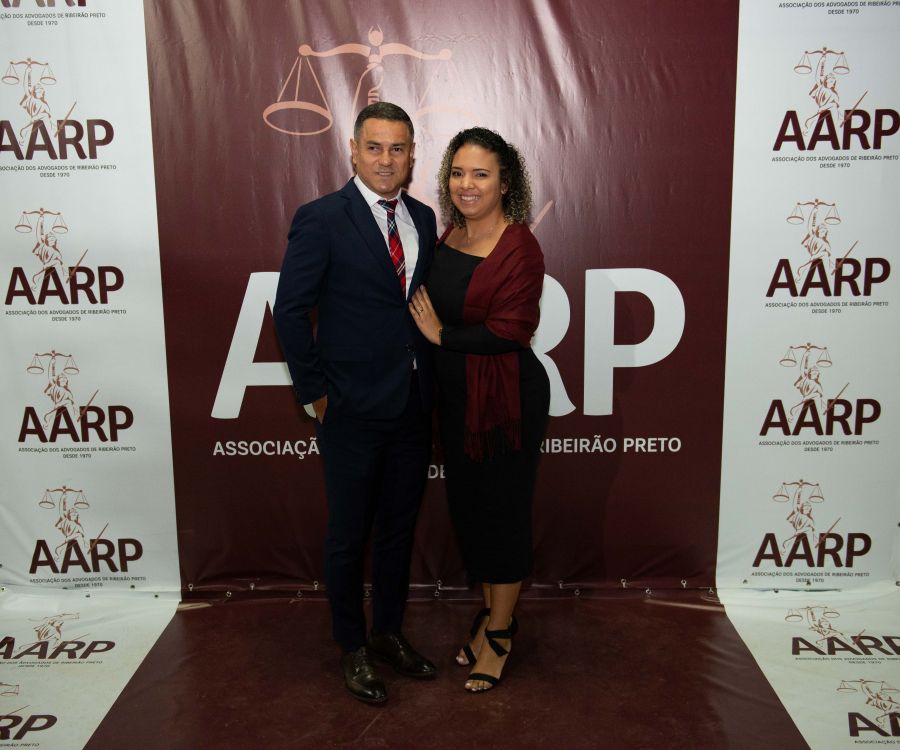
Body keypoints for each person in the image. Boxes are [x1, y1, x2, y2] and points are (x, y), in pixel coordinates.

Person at [273, 102, 438, 705]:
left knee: (398, 530)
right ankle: (352, 646)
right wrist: (316, 395)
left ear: (412, 154)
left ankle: (388, 633)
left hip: (413, 403)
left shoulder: (423, 216)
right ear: (352, 149)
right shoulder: (321, 218)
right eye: (375, 147)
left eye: (397, 148)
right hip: (348, 408)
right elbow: (290, 312)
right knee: (349, 534)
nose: (386, 160)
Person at [409, 127, 549, 692]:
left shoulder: (518, 246)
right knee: (471, 513)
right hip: (458, 401)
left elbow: (512, 330)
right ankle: (491, 614)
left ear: (505, 183)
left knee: (503, 515)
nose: (467, 184)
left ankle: (500, 632)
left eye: (481, 174)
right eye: (458, 173)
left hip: (506, 402)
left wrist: (442, 337)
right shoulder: (451, 235)